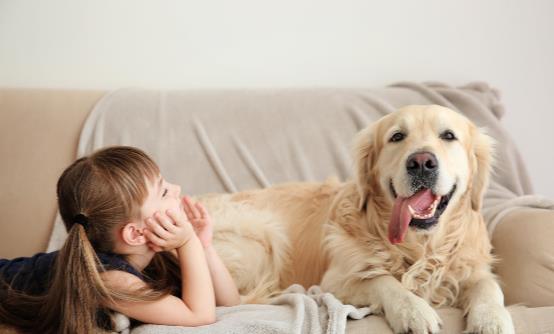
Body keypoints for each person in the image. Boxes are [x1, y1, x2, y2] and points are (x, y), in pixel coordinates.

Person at [0, 146, 240, 334]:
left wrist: (204, 246)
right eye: (164, 192)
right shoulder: (112, 280)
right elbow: (200, 316)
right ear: (135, 233)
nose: (177, 188)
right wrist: (189, 244)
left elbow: (230, 303)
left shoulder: (154, 253)